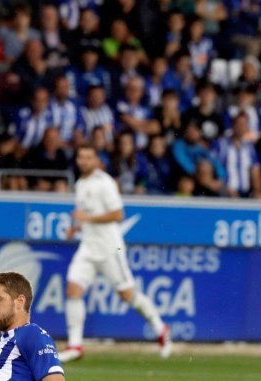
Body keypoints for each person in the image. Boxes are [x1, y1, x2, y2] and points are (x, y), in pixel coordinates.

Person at [59, 144, 173, 363]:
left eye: (88, 157)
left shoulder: (106, 183)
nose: (83, 161)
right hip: (88, 247)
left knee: (127, 295)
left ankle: (161, 328)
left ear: (96, 161)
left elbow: (118, 214)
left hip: (110, 248)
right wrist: (76, 228)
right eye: (80, 157)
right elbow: (86, 214)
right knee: (73, 288)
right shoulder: (81, 183)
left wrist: (87, 219)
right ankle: (75, 345)